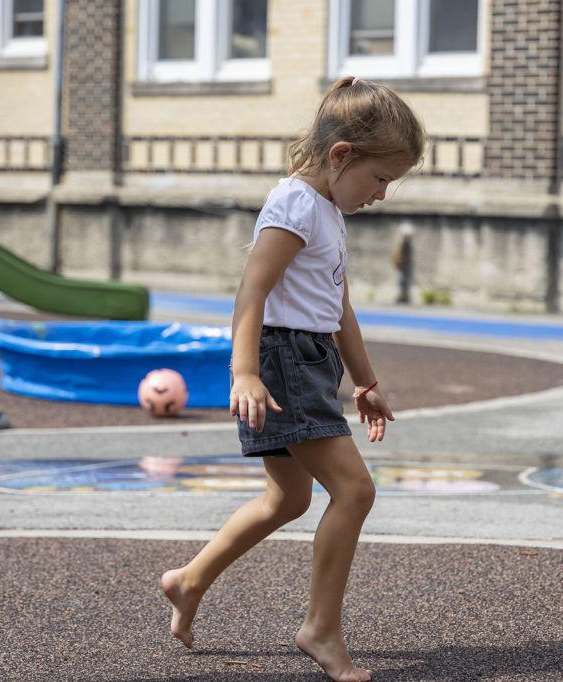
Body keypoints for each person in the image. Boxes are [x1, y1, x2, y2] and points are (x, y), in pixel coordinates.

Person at [161, 76, 426, 682]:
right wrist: (246, 372)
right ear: (341, 156)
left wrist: (365, 381)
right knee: (355, 491)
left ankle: (189, 579)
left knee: (289, 497)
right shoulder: (295, 204)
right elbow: (252, 291)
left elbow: (338, 307)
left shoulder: (328, 209)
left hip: (308, 360)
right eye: (381, 178)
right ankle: (320, 629)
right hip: (280, 361)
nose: (384, 194)